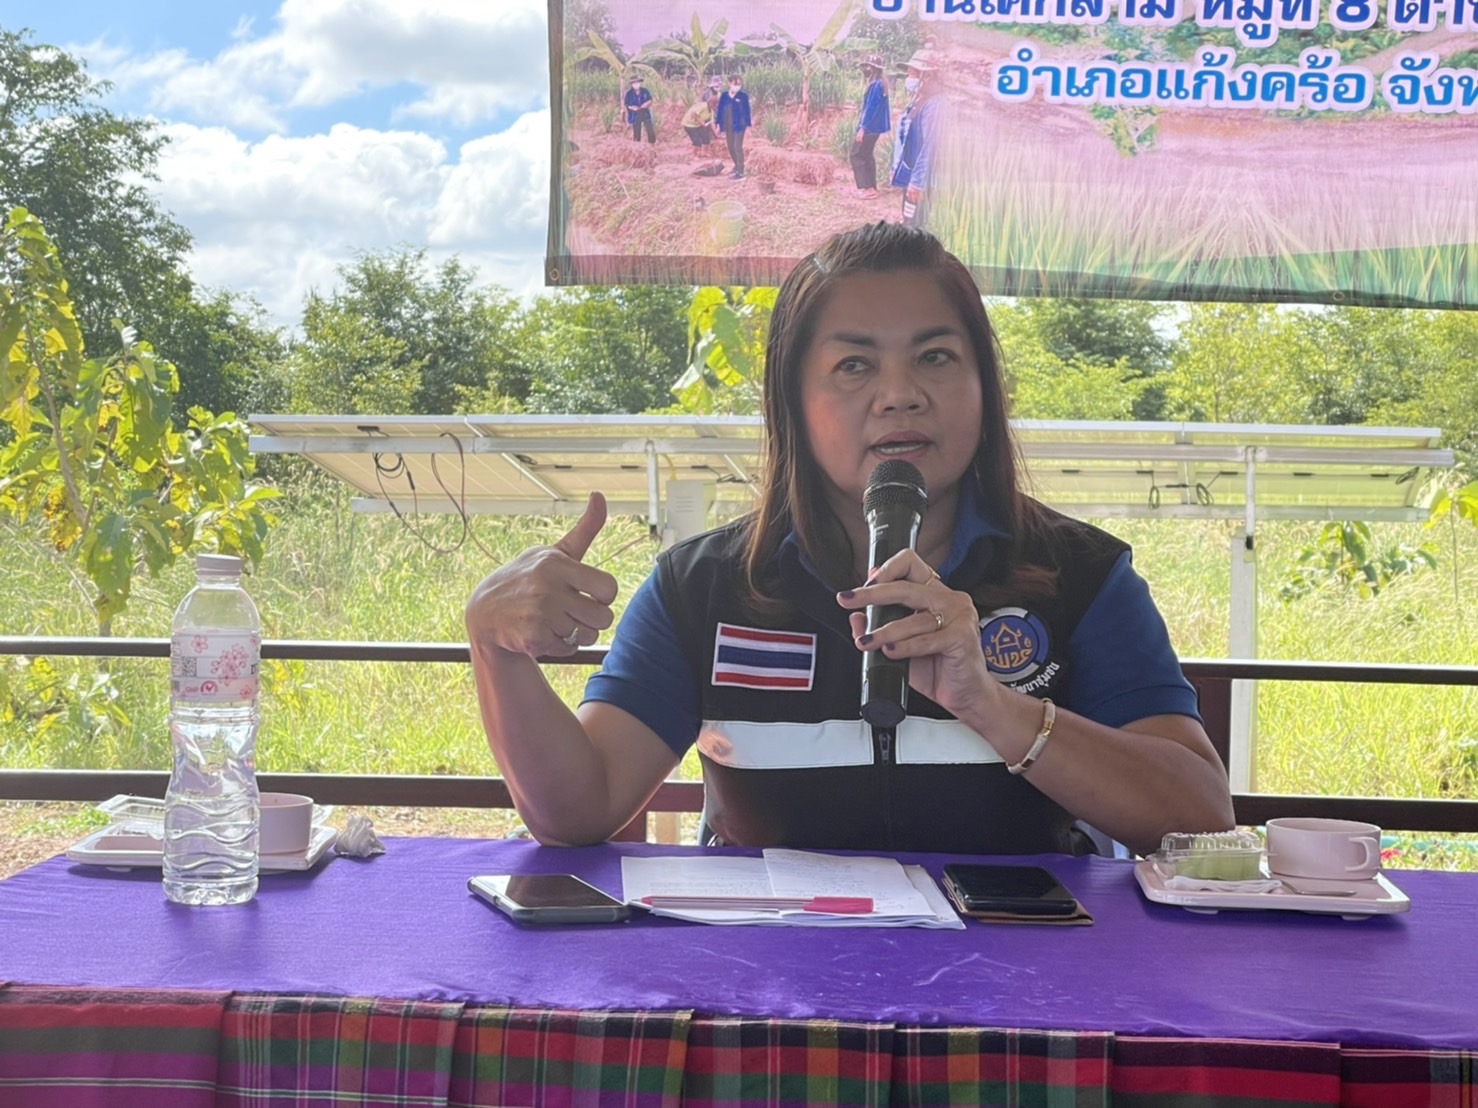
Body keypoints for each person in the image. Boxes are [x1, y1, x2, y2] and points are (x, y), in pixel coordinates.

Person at [465, 222, 1235, 858]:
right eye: (854, 365)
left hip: (1018, 989)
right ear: (793, 403)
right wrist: (495, 647)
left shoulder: (1082, 575)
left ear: (982, 387)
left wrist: (993, 706)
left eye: (935, 357)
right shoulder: (701, 586)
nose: (899, 394)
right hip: (772, 998)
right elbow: (579, 810)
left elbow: (1199, 816)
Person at [891, 50, 944, 225]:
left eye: (913, 72)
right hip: (910, 171)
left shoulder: (934, 104)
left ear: (927, 76)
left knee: (915, 222)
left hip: (920, 177)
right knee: (908, 217)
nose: (909, 76)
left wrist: (917, 182)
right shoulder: (918, 99)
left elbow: (930, 145)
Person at [850, 54, 891, 198]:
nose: (865, 69)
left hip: (870, 128)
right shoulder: (881, 84)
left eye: (868, 66)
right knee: (867, 155)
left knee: (856, 155)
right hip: (875, 128)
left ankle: (868, 188)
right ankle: (871, 188)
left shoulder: (875, 86)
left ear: (873, 69)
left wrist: (862, 128)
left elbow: (870, 109)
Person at [715, 74, 752, 180]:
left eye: (739, 84)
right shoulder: (724, 96)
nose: (737, 86)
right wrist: (718, 125)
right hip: (728, 126)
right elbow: (720, 111)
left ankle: (741, 172)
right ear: (729, 83)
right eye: (735, 83)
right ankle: (737, 166)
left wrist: (749, 126)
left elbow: (747, 111)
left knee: (737, 147)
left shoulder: (743, 96)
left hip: (740, 125)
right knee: (730, 147)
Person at [623, 75, 655, 144]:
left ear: (640, 83)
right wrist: (632, 107)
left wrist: (646, 104)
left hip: (645, 112)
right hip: (635, 113)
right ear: (632, 84)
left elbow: (650, 99)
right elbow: (626, 104)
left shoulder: (645, 91)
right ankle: (637, 147)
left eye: (637, 82)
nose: (636, 84)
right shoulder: (629, 93)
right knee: (637, 131)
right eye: (634, 83)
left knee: (650, 129)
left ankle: (652, 145)